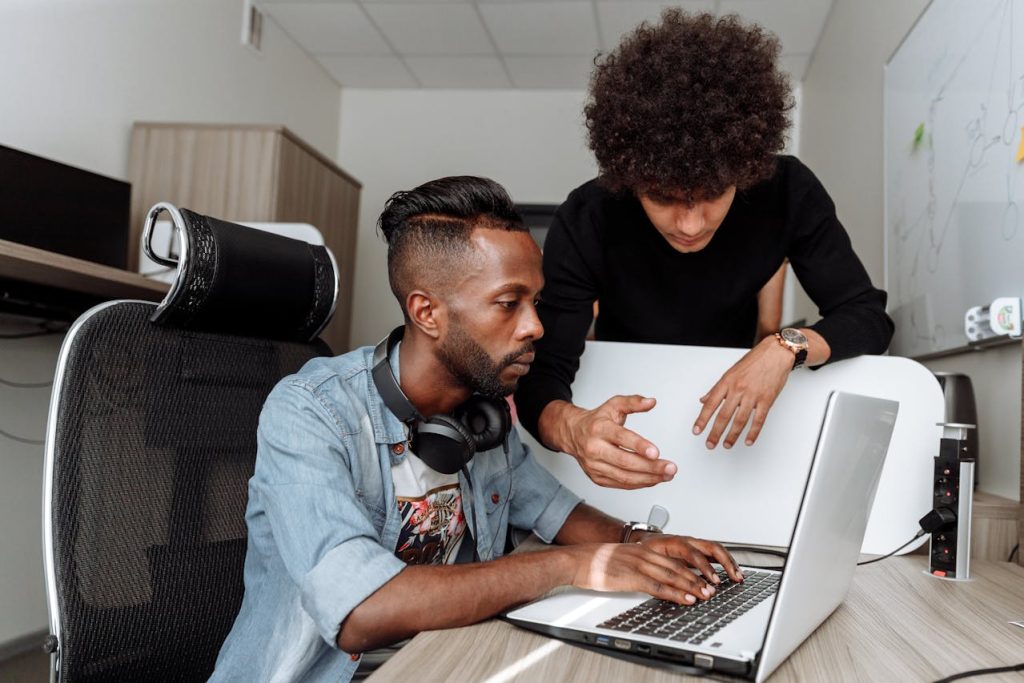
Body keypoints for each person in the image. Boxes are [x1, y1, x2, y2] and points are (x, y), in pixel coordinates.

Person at [210, 176, 742, 682]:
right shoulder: (311, 412)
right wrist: (579, 565)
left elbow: (556, 510)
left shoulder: (482, 414)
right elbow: (360, 610)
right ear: (428, 313)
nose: (536, 325)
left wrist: (645, 545)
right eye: (510, 303)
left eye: (535, 302)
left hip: (450, 660)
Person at [514, 10, 894, 490]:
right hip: (626, 406)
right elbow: (541, 374)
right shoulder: (588, 216)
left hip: (731, 415)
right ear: (631, 180)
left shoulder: (788, 191)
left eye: (713, 195)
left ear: (746, 168)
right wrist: (573, 429)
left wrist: (784, 348)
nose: (690, 225)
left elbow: (868, 317)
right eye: (664, 198)